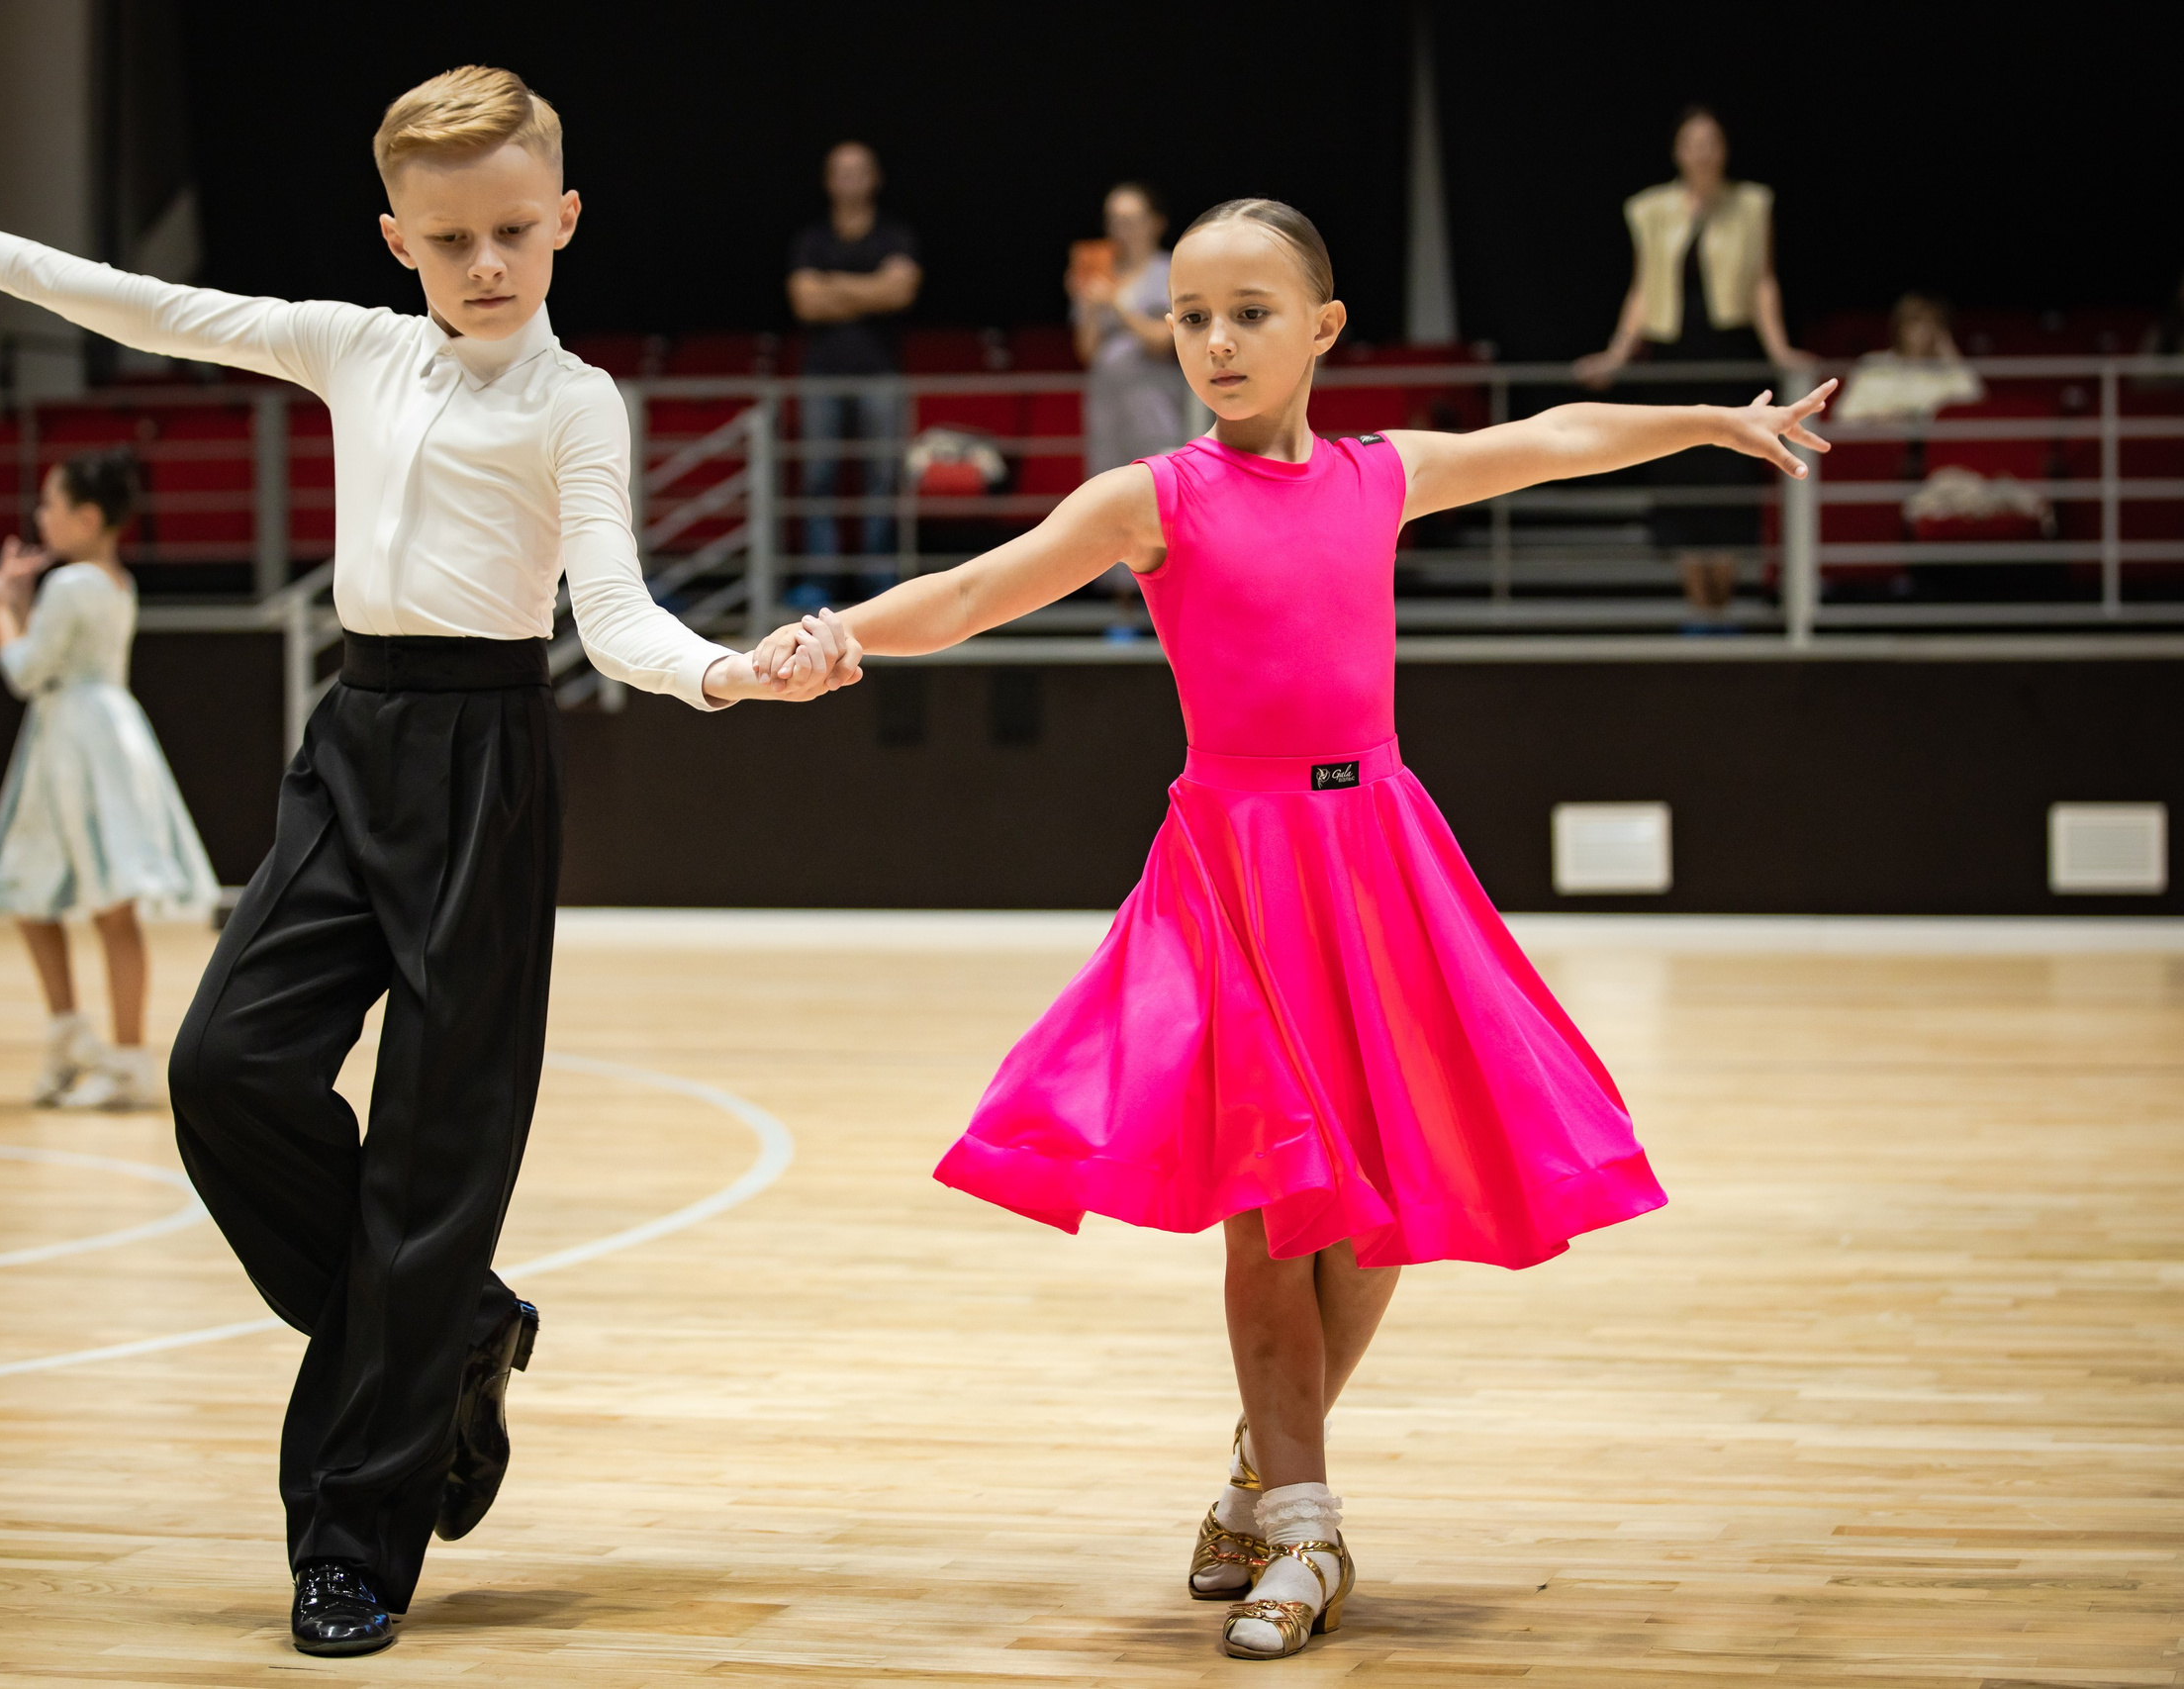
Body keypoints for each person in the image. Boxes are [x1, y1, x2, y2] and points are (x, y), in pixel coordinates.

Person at [756, 198, 1834, 1659]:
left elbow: (1556, 436)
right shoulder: (1153, 496)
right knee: (1270, 1213)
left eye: (1250, 313)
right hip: (1235, 874)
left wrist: (1709, 420)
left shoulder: (1381, 474)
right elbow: (971, 589)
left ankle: (1261, 1473)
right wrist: (838, 634)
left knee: (1378, 1210)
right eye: (1192, 317)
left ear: (1322, 328)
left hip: (1376, 862)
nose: (1216, 342)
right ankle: (1308, 1530)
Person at [0, 65, 859, 1658]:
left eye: (514, 231)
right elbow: (166, 310)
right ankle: (460, 1317)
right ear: (398, 238)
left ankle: (351, 1541)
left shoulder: (577, 402)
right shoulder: (356, 344)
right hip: (355, 741)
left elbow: (614, 613)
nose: (486, 263)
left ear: (564, 220)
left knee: (428, 1166)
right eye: (451, 237)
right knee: (224, 1066)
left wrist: (727, 671)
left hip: (487, 765)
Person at [0, 448, 219, 1110]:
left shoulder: (70, 583)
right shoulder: (114, 580)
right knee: (42, 889)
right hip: (95, 731)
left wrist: (1, 605)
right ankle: (77, 1037)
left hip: (77, 739)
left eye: (51, 503)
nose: (41, 515)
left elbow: (24, 670)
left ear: (88, 516)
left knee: (103, 900)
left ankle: (121, 1056)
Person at [1573, 106, 1808, 624]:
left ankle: (1725, 607)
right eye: (1692, 142)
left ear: (1724, 149)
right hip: (1673, 359)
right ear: (1677, 151)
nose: (1702, 152)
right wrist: (1617, 353)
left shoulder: (1752, 204)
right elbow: (1643, 288)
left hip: (1729, 356)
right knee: (1678, 466)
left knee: (1729, 471)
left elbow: (1763, 282)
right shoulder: (1651, 209)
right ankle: (1697, 610)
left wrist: (1780, 351)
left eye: (1711, 141)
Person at [786, 140, 922, 605]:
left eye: (859, 170)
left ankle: (877, 581)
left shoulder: (895, 236)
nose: (850, 179)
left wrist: (833, 287)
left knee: (882, 478)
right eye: (841, 171)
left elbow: (900, 293)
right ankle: (820, 582)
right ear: (828, 181)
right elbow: (805, 302)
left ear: (875, 178)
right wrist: (871, 289)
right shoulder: (811, 239)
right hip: (821, 376)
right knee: (817, 478)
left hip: (880, 374)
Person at [1071, 182, 1190, 475]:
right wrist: (1087, 305)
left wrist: (1117, 304)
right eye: (1113, 220)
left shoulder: (1171, 270)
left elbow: (1165, 342)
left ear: (1155, 223)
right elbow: (1087, 351)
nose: (1119, 229)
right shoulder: (1099, 271)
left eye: (1129, 220)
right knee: (1108, 486)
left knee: (1159, 483)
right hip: (1107, 404)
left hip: (1155, 405)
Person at [1836, 293, 1982, 426]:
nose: (1923, 330)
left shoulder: (1949, 371)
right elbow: (1844, 417)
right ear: (1900, 327)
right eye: (1915, 322)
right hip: (1881, 442)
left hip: (1929, 445)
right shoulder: (1873, 365)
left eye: (1932, 323)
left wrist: (1951, 356)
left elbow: (1974, 403)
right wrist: (1880, 421)